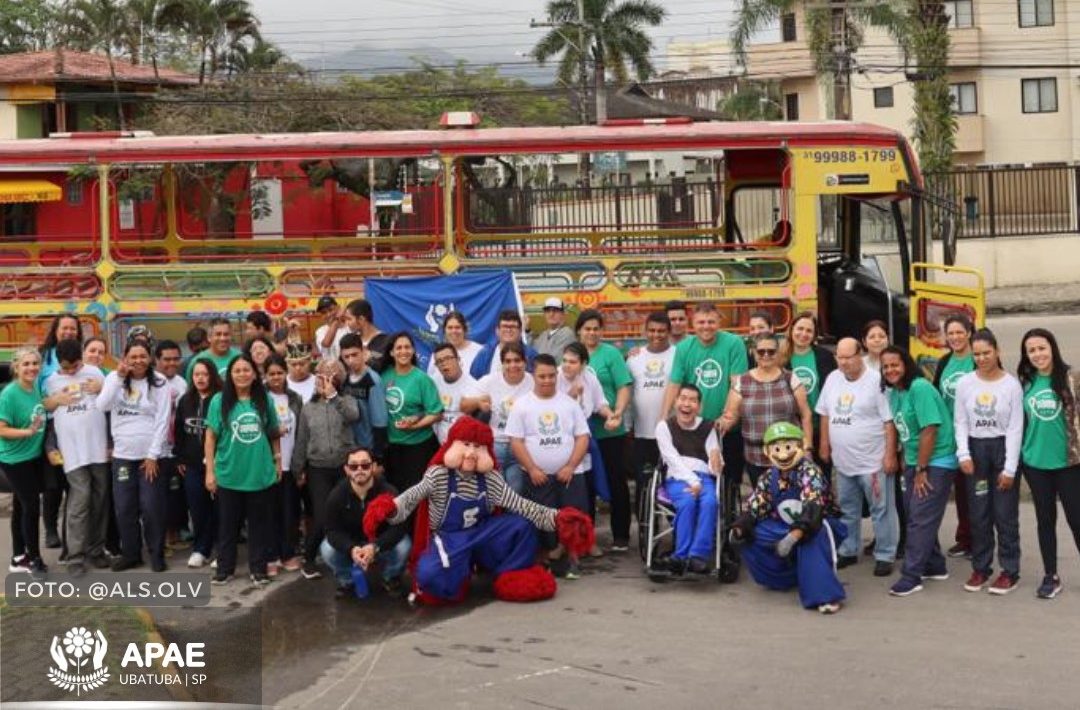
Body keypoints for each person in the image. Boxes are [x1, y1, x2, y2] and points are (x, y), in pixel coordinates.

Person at [363, 416, 593, 605]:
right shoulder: (439, 475)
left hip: (483, 532)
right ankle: (459, 571)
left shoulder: (490, 477)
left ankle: (512, 574)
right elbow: (411, 497)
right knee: (431, 577)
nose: (471, 452)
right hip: (448, 537)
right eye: (466, 445)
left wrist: (559, 518)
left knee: (520, 525)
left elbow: (520, 505)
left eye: (477, 446)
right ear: (452, 445)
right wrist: (390, 508)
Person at [729, 422, 846, 614]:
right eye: (777, 448)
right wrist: (740, 527)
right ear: (768, 451)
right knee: (752, 534)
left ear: (800, 446)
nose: (783, 454)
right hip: (782, 524)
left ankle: (825, 595)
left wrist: (794, 536)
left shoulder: (810, 472)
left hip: (817, 524)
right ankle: (783, 577)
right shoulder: (768, 477)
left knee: (811, 541)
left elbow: (813, 507)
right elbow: (757, 506)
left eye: (788, 447)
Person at [817, 337, 899, 576]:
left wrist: (890, 454)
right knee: (847, 509)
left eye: (848, 357)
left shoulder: (876, 380)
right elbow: (824, 413)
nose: (843, 363)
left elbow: (889, 421)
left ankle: (885, 553)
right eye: (839, 358)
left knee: (881, 509)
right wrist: (824, 444)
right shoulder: (833, 379)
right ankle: (848, 549)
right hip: (843, 462)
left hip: (873, 462)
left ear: (860, 355)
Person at [881, 346, 959, 597]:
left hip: (936, 461)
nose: (890, 370)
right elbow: (904, 429)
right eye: (885, 367)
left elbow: (930, 429)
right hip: (915, 462)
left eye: (895, 364)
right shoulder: (896, 392)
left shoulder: (919, 388)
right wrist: (906, 459)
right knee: (915, 512)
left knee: (919, 518)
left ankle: (911, 575)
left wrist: (922, 469)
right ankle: (934, 565)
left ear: (906, 364)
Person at [507, 354, 591, 577]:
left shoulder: (569, 404)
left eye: (551, 376)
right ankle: (544, 560)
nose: (547, 380)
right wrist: (532, 469)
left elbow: (583, 437)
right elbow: (516, 441)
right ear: (533, 376)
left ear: (557, 374)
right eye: (542, 376)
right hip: (537, 475)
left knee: (572, 518)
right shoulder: (521, 406)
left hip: (570, 474)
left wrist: (571, 466)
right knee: (542, 522)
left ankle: (573, 560)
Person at [954, 328, 1024, 594]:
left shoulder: (1011, 385)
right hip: (976, 452)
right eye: (977, 354)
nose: (982, 358)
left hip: (1002, 449)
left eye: (986, 353)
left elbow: (1016, 427)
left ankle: (1009, 570)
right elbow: (960, 420)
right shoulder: (965, 384)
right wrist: (964, 453)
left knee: (1005, 515)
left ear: (997, 352)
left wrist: (1010, 468)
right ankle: (981, 568)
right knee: (979, 513)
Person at [204, 353, 282, 586]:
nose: (242, 374)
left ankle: (258, 569)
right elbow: (210, 437)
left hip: (259, 472)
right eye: (237, 371)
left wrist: (277, 460)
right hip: (229, 473)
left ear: (255, 374)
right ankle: (225, 568)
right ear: (230, 375)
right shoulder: (219, 401)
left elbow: (273, 432)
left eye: (246, 370)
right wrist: (210, 470)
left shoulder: (264, 399)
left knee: (259, 525)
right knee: (228, 525)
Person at [1017, 328, 1080, 600]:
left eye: (1041, 348)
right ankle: (1050, 576)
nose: (1037, 354)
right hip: (1035, 464)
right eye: (1031, 350)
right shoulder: (1025, 383)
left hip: (1068, 464)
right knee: (1045, 521)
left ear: (1052, 347)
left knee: (1077, 520)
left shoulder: (1071, 378)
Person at [97, 341, 171, 572]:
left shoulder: (160, 382)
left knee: (151, 507)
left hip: (150, 458)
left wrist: (152, 455)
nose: (138, 360)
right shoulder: (113, 378)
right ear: (125, 358)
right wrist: (118, 378)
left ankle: (156, 554)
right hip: (122, 456)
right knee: (124, 507)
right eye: (133, 356)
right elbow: (102, 405)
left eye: (142, 356)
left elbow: (162, 420)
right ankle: (131, 553)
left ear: (149, 358)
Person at [43, 339, 111, 575]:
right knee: (79, 501)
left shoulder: (94, 372)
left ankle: (96, 550)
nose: (72, 371)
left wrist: (102, 389)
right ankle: (75, 555)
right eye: (67, 368)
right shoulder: (51, 381)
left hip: (99, 449)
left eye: (76, 366)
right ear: (59, 362)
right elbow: (43, 412)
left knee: (100, 500)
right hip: (72, 452)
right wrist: (53, 401)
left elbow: (111, 402)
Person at [291, 358, 359, 579]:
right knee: (321, 516)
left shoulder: (346, 400)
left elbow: (353, 416)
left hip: (343, 467)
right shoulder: (308, 408)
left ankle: (348, 555)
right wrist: (297, 469)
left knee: (346, 513)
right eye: (321, 376)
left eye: (331, 376)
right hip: (318, 469)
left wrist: (333, 396)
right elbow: (302, 440)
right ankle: (309, 558)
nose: (325, 381)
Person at [720, 333, 814, 486]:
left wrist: (808, 447)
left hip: (789, 455)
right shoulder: (741, 382)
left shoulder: (791, 378)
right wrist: (718, 424)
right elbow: (730, 416)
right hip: (756, 457)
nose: (766, 355)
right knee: (763, 504)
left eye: (771, 351)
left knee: (789, 503)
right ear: (753, 352)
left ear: (778, 353)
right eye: (761, 351)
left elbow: (806, 415)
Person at [574, 309, 632, 551]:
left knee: (616, 483)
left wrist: (617, 412)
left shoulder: (611, 354)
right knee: (584, 487)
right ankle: (586, 539)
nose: (592, 333)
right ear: (579, 331)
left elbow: (623, 386)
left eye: (596, 328)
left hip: (610, 432)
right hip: (581, 434)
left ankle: (621, 536)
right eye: (587, 328)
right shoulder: (572, 354)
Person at [320, 446, 411, 598]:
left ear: (374, 467)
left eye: (365, 465)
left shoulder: (389, 492)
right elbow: (332, 531)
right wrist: (351, 548)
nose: (359, 469)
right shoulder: (336, 496)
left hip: (379, 542)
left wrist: (376, 546)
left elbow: (400, 527)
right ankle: (347, 580)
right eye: (354, 466)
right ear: (347, 470)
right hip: (352, 543)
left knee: (404, 545)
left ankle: (390, 577)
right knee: (326, 549)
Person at [655, 384, 723, 576]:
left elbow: (713, 458)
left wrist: (717, 462)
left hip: (704, 477)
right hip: (678, 477)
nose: (687, 404)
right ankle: (681, 555)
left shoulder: (707, 427)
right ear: (676, 402)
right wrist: (694, 482)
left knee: (710, 502)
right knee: (687, 502)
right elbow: (671, 459)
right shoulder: (664, 427)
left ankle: (697, 556)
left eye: (692, 400)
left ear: (699, 406)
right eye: (683, 398)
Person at [0, 347, 49, 574]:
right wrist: (28, 432)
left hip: (33, 457)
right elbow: (1, 429)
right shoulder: (9, 394)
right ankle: (34, 558)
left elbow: (42, 408)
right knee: (31, 506)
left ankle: (18, 557)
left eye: (35, 363)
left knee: (21, 505)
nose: (31, 368)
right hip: (14, 460)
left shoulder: (35, 388)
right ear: (17, 367)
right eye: (26, 364)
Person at [932, 314, 976, 559]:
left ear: (969, 333)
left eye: (960, 332)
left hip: (976, 434)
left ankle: (980, 539)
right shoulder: (944, 361)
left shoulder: (978, 358)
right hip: (951, 435)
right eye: (951, 334)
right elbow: (937, 396)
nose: (956, 337)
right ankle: (965, 537)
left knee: (975, 489)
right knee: (960, 490)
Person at [38, 314, 82, 550]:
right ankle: (51, 530)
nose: (68, 332)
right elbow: (37, 393)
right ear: (55, 330)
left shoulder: (83, 354)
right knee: (52, 482)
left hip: (78, 423)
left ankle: (72, 534)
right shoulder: (43, 357)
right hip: (52, 426)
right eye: (64, 328)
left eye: (72, 328)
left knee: (73, 481)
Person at [173, 359, 222, 569]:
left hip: (219, 464)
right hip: (192, 465)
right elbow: (179, 431)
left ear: (212, 375)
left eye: (205, 374)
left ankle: (222, 550)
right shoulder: (185, 401)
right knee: (197, 508)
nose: (200, 378)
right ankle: (201, 548)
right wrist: (180, 458)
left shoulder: (221, 399)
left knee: (220, 509)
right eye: (196, 374)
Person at [626, 312, 676, 514]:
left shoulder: (679, 354)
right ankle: (648, 539)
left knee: (673, 487)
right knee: (644, 487)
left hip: (673, 434)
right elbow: (628, 394)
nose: (657, 335)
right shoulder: (634, 358)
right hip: (642, 435)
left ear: (669, 332)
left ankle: (676, 537)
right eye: (652, 330)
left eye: (662, 331)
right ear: (645, 331)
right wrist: (628, 426)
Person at [382, 332, 444, 493]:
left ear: (413, 351)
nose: (403, 351)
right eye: (399, 348)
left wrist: (415, 425)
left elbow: (436, 413)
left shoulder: (422, 379)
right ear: (391, 352)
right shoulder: (384, 375)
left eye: (407, 347)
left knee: (416, 495)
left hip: (419, 447)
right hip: (392, 447)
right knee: (396, 493)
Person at [476, 342, 534, 493]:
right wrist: (479, 402)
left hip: (521, 447)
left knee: (516, 494)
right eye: (507, 361)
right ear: (502, 364)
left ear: (525, 361)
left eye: (517, 360)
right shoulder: (489, 381)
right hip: (496, 446)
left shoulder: (533, 382)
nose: (512, 365)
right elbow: (464, 401)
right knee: (496, 495)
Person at [264, 355, 304, 575]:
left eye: (280, 373)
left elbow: (301, 432)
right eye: (271, 374)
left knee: (290, 512)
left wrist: (300, 466)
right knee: (269, 513)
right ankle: (270, 556)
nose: (276, 377)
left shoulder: (295, 398)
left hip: (291, 464)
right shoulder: (259, 398)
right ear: (265, 375)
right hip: (267, 466)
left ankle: (287, 553)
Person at [154, 340, 189, 557]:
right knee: (156, 497)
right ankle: (159, 542)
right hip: (154, 449)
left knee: (174, 494)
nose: (172, 363)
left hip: (175, 447)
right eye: (166, 359)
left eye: (176, 359)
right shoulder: (150, 381)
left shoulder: (182, 383)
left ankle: (173, 536)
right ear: (156, 360)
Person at [339, 333, 388, 458]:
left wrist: (377, 457)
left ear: (363, 352)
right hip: (350, 447)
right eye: (346, 357)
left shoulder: (372, 380)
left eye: (354, 355)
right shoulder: (345, 379)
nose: (351, 360)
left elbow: (380, 422)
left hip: (368, 448)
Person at [784, 311, 836, 417]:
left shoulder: (826, 357)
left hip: (821, 423)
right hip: (791, 424)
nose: (803, 334)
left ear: (814, 335)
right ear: (792, 329)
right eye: (800, 328)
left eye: (809, 331)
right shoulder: (780, 357)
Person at [430, 342, 482, 444]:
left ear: (458, 359)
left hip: (463, 445)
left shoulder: (474, 387)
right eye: (439, 361)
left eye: (448, 358)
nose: (444, 363)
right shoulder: (434, 382)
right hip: (438, 445)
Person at [470, 309, 538, 379]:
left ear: (520, 330)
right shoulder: (485, 354)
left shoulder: (531, 355)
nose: (508, 330)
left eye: (513, 326)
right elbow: (473, 381)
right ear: (497, 330)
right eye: (505, 326)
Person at [426, 311, 482, 377]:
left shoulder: (479, 351)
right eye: (450, 328)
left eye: (457, 327)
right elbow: (431, 379)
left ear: (465, 329)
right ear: (444, 331)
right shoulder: (438, 354)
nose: (454, 331)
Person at [344, 299, 391, 372]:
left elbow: (386, 369)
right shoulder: (351, 340)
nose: (346, 323)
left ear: (361, 319)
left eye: (349, 319)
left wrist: (370, 359)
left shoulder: (385, 341)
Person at [314, 296, 347, 364]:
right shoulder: (320, 331)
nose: (328, 314)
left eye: (331, 309)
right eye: (324, 312)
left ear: (338, 308)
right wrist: (337, 319)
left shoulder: (350, 327)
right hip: (331, 371)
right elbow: (326, 344)